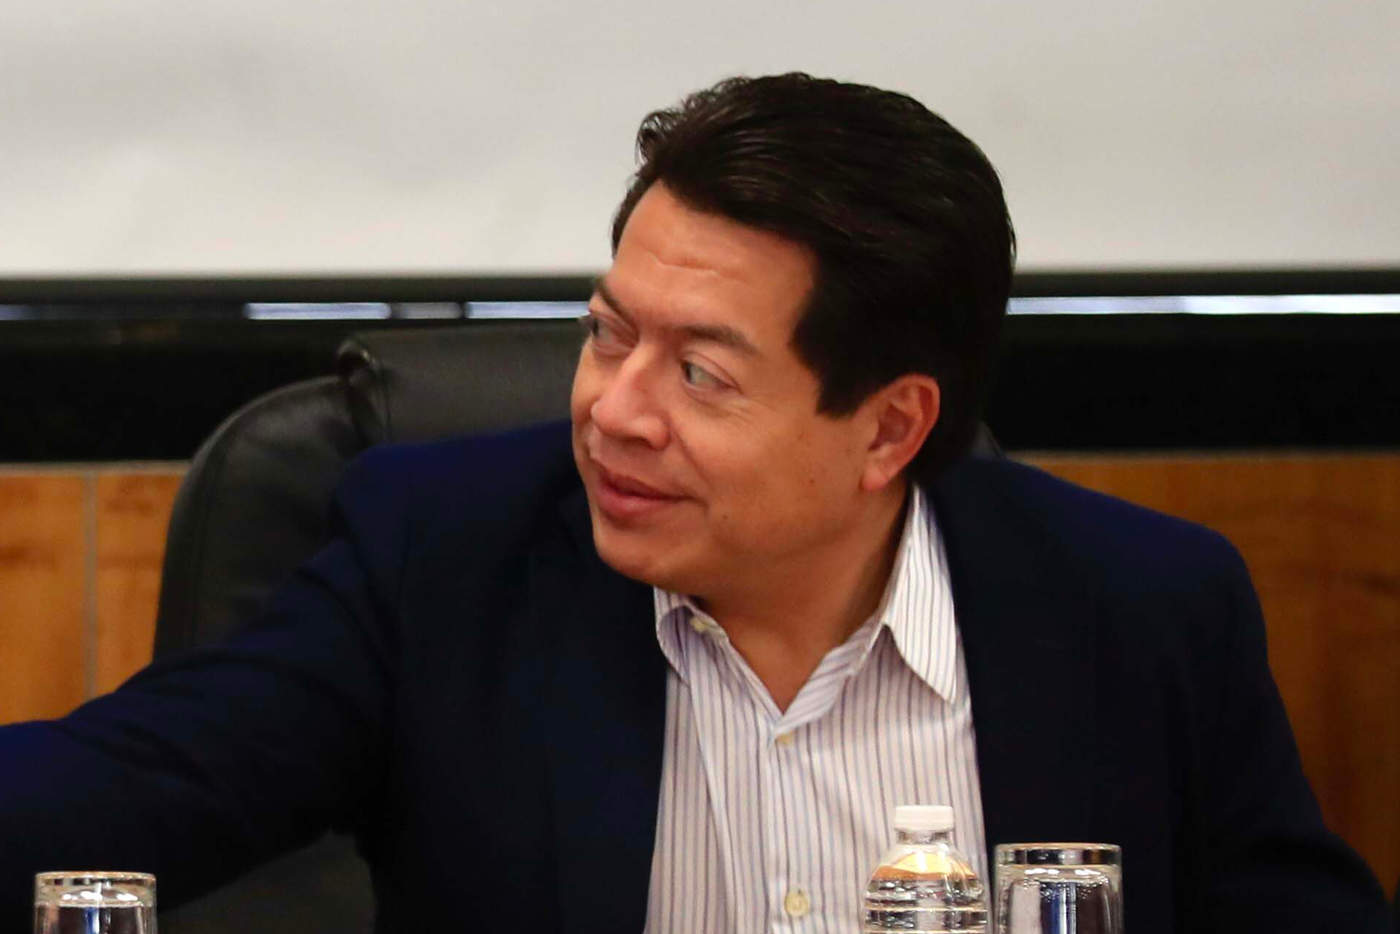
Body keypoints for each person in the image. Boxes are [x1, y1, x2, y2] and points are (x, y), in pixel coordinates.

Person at [0, 73, 1390, 933]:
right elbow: (130, 788)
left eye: (703, 374)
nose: (614, 409)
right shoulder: (447, 560)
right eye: (610, 332)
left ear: (889, 427)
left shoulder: (1139, 609)